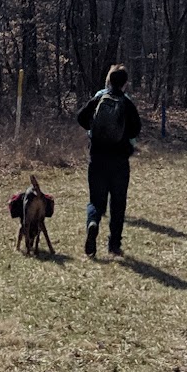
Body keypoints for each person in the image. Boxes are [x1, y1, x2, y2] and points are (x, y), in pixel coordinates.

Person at [77, 62, 141, 258]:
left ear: (109, 81)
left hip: (97, 158)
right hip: (120, 161)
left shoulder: (99, 98)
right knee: (118, 203)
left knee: (96, 201)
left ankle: (93, 222)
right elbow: (136, 129)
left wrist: (93, 130)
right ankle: (114, 245)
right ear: (125, 83)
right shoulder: (127, 103)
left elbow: (81, 117)